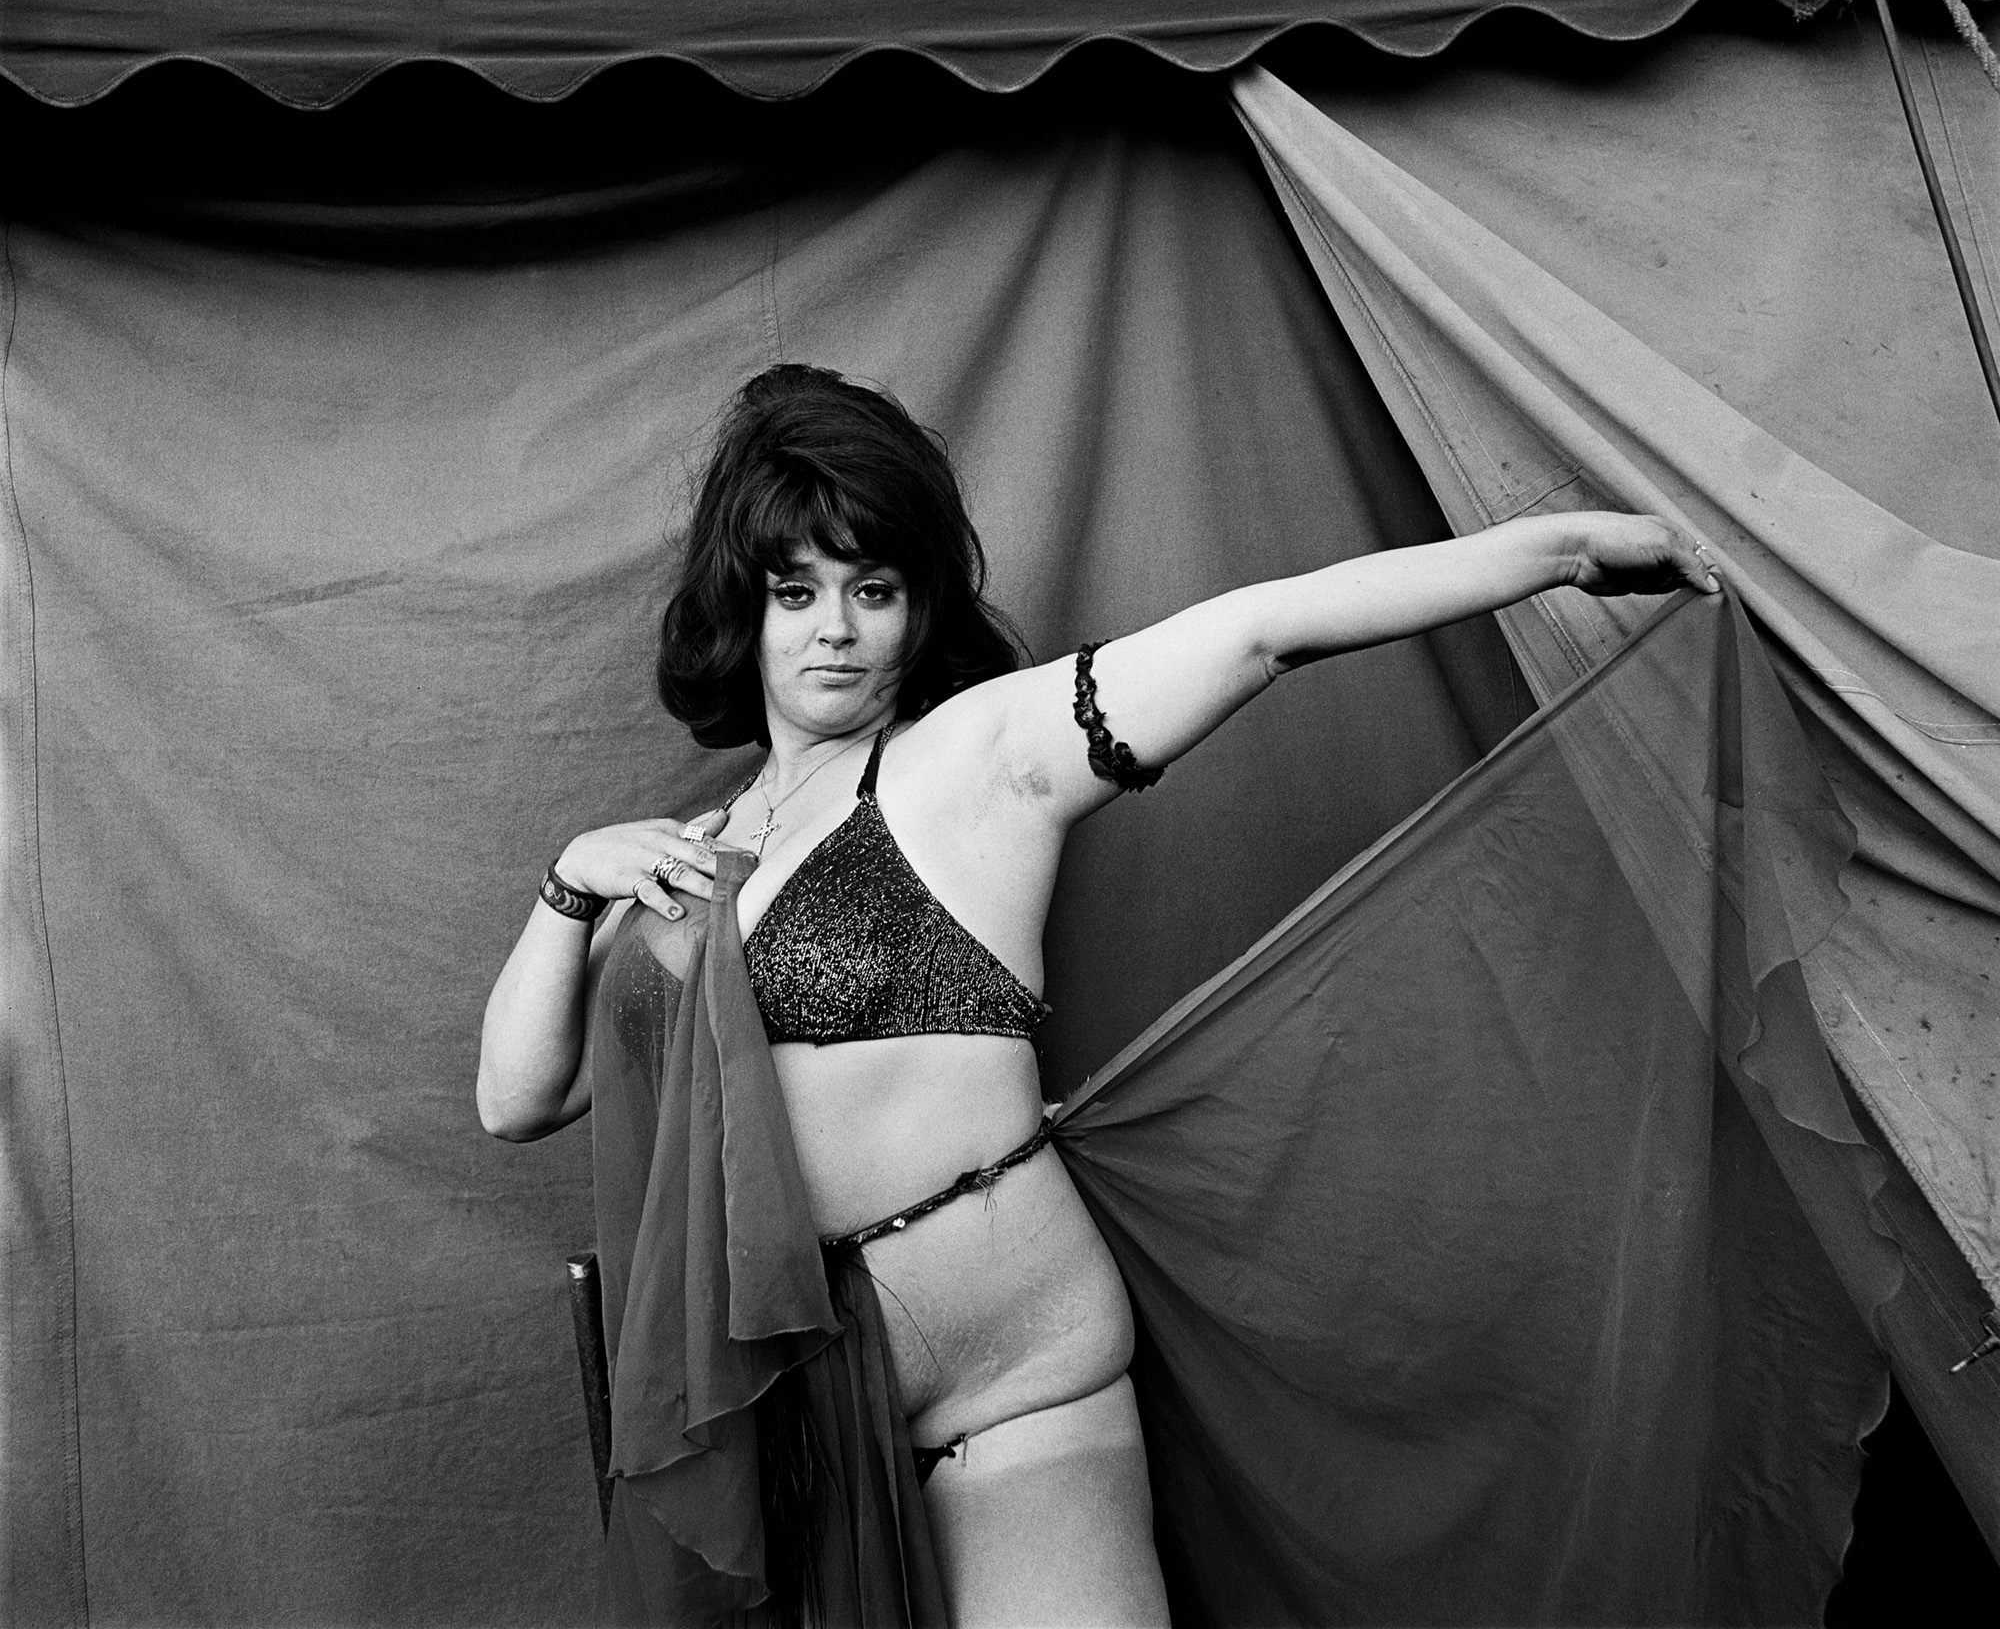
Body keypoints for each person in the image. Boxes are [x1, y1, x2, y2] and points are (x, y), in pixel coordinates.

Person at [476, 364, 1715, 1629]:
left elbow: (1260, 632)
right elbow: (522, 1097)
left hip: (1014, 1389)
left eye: (872, 588)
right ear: (741, 607)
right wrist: (569, 883)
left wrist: (1559, 549)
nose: (833, 627)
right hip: (794, 1426)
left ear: (917, 606)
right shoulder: (686, 856)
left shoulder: (975, 756)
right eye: (794, 591)